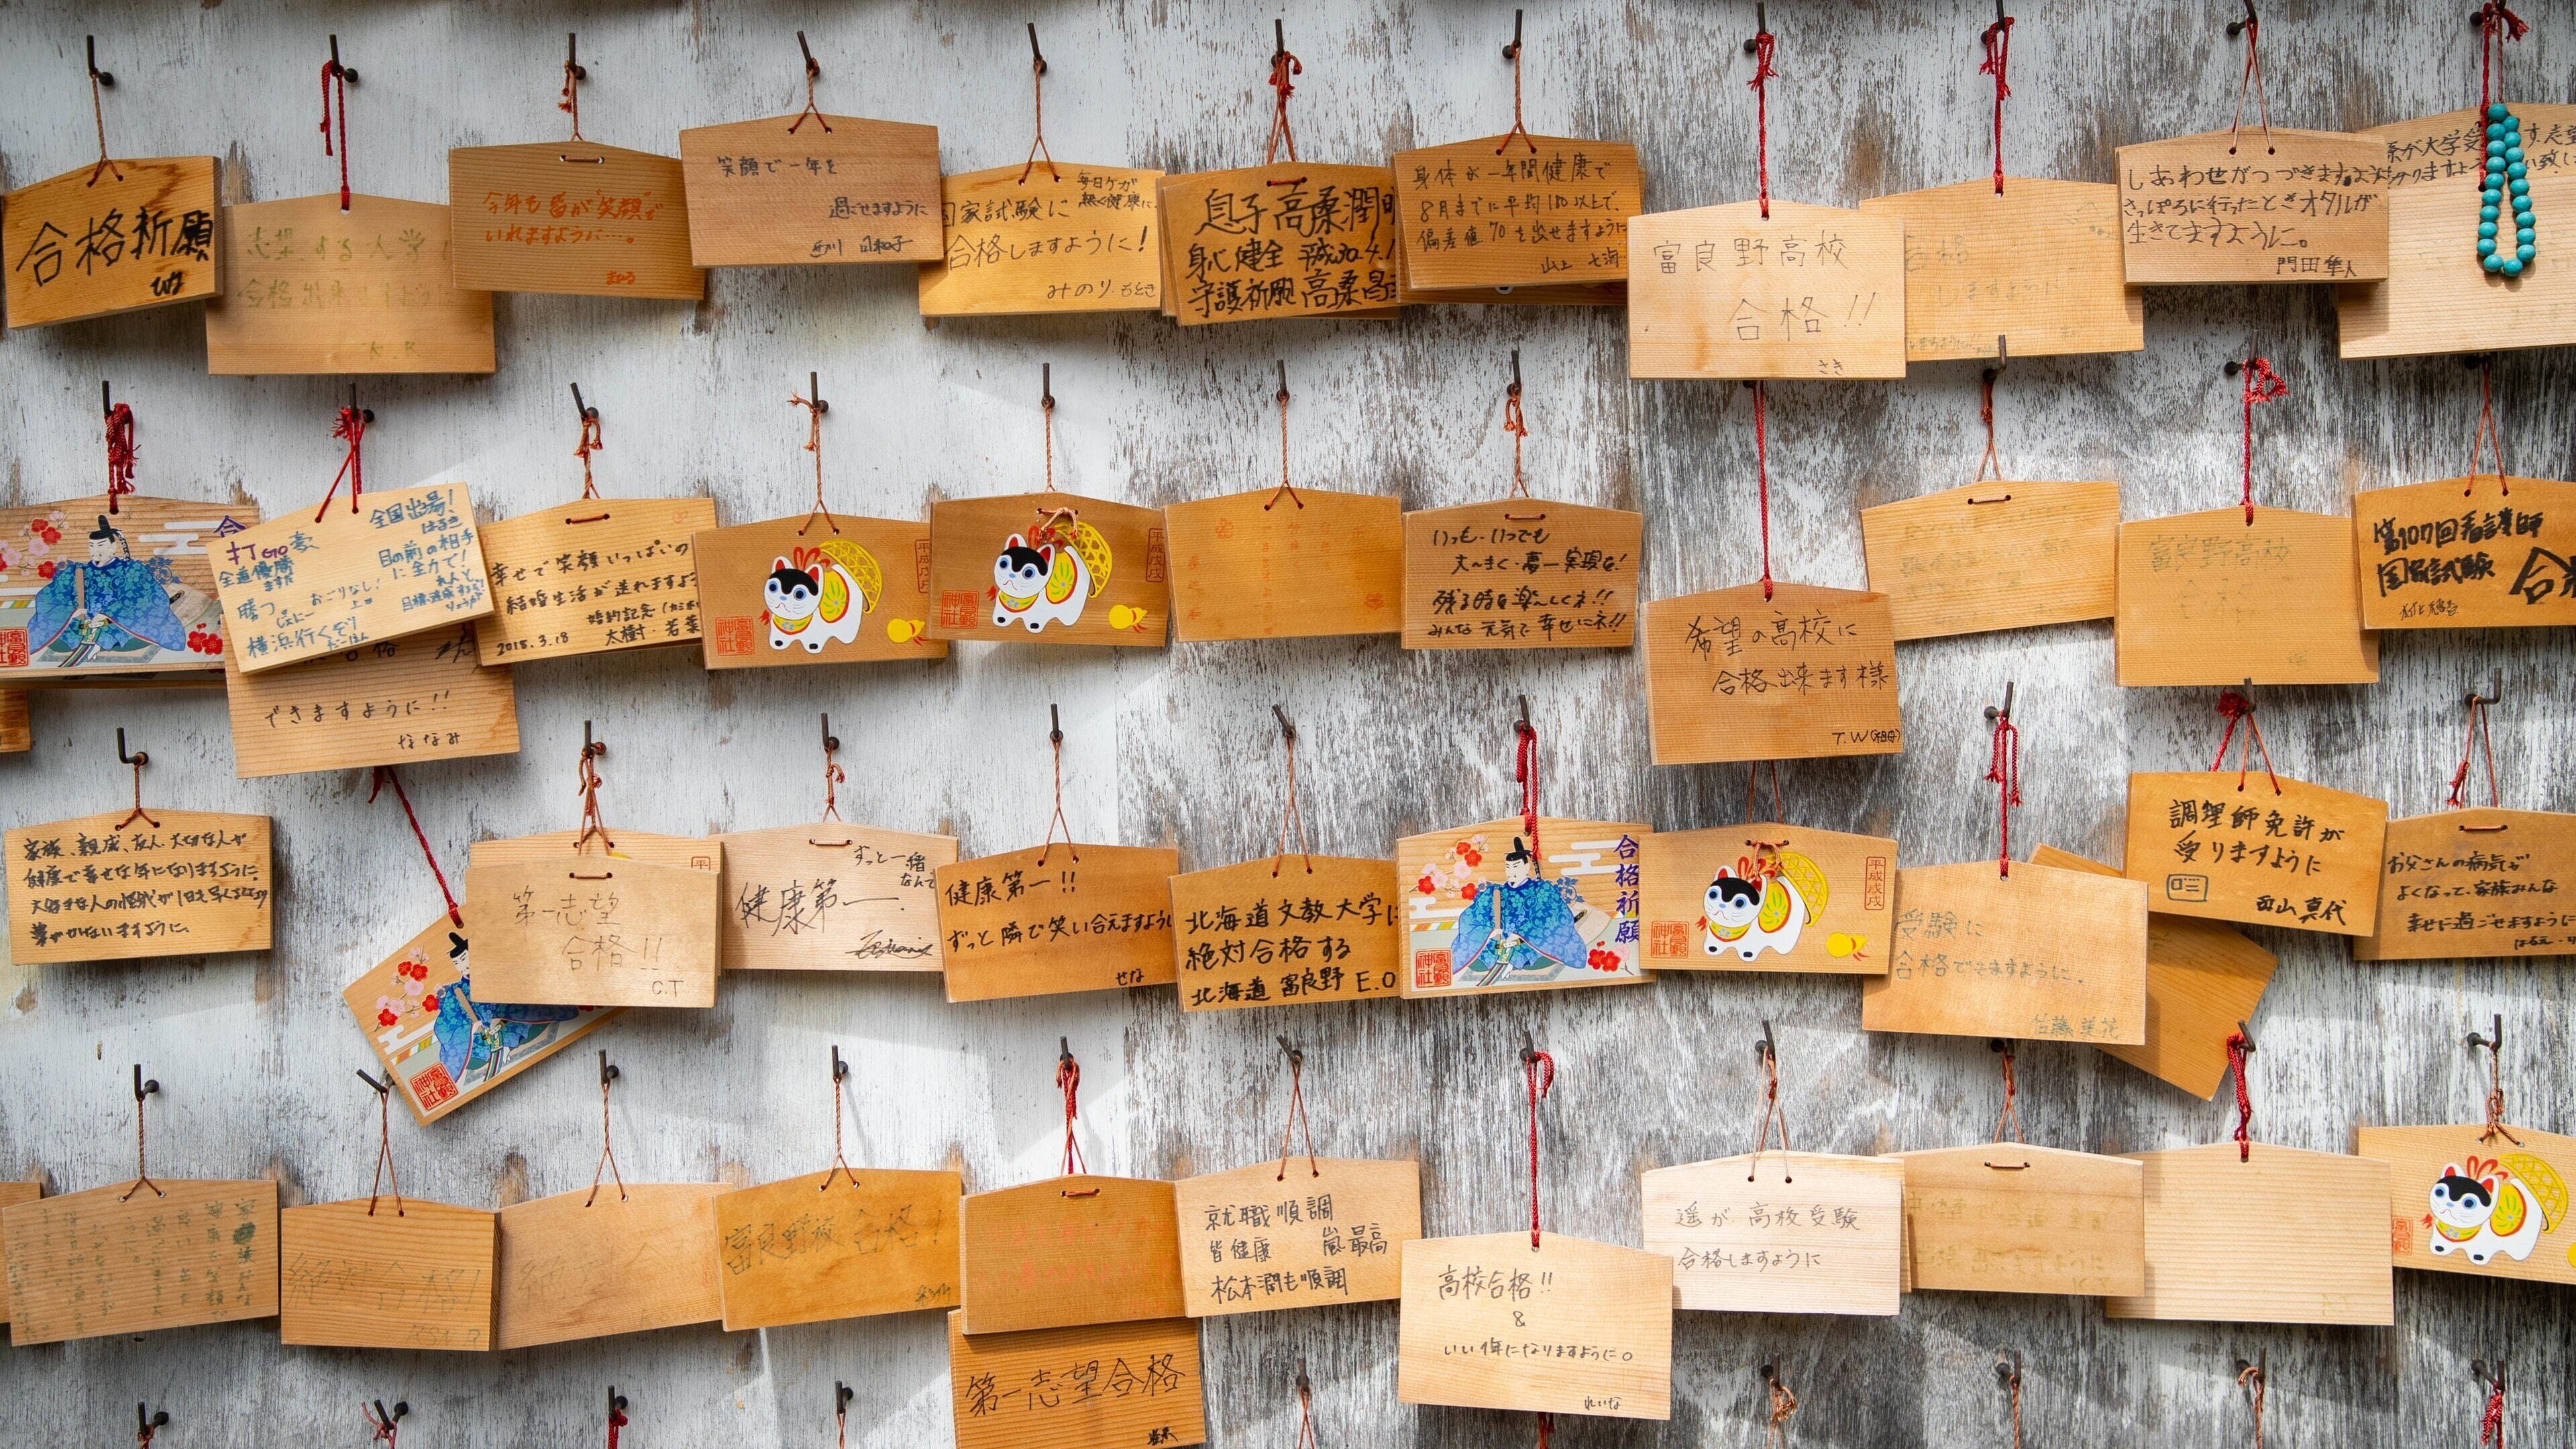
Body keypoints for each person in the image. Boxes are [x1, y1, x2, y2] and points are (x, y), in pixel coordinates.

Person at [22, 515, 189, 663]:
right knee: (59, 636)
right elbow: (49, 596)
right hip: (83, 623)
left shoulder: (131, 570)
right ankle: (91, 642)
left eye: (101, 545)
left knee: (134, 627)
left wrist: (107, 614)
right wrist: (73, 612)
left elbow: (147, 598)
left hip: (117, 623)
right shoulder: (77, 571)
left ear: (113, 547)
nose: (96, 551)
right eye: (92, 546)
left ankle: (100, 644)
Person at [1448, 836, 1592, 985]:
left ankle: (1516, 960)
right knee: (1477, 959)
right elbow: (1470, 917)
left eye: (1516, 867)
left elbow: (1555, 918)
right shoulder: (1496, 892)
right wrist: (1490, 932)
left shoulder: (1542, 890)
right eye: (1508, 867)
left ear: (1526, 867)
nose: (1511, 872)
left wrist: (1520, 934)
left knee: (1544, 942)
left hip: (1530, 943)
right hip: (1499, 944)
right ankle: (1503, 959)